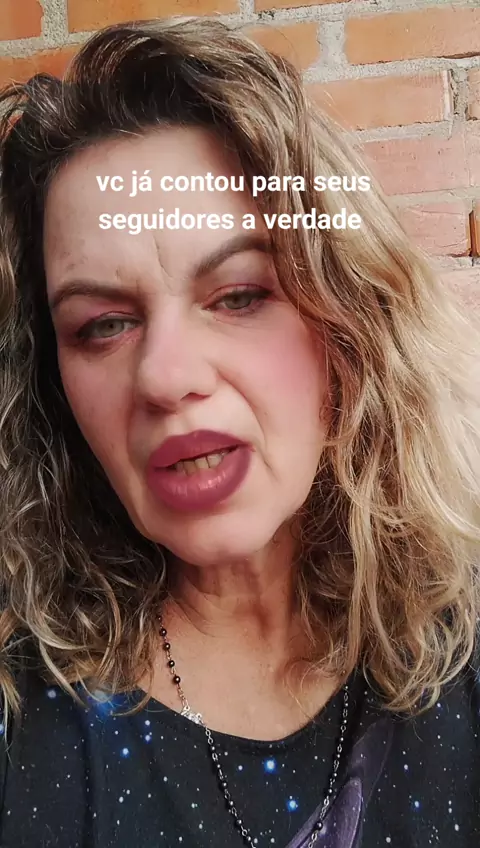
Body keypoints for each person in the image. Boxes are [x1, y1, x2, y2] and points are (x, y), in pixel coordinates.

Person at [0, 16, 479, 848]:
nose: (164, 375)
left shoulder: (463, 642)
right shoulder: (25, 727)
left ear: (353, 317)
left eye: (240, 295)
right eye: (103, 325)